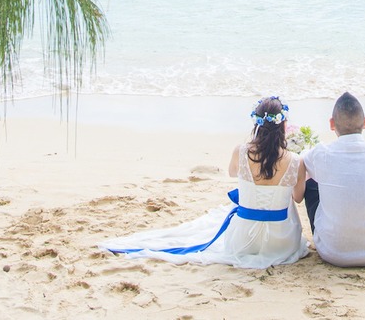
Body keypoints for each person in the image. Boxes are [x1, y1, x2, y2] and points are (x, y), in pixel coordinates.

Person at [99, 96, 309, 268]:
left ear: (257, 124)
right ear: (283, 125)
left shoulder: (241, 151)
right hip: (281, 242)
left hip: (242, 240)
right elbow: (298, 198)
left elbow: (232, 173)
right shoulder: (296, 160)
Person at [293, 92, 365, 267]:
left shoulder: (321, 154)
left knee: (312, 181)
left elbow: (302, 162)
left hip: (331, 252)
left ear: (331, 124)